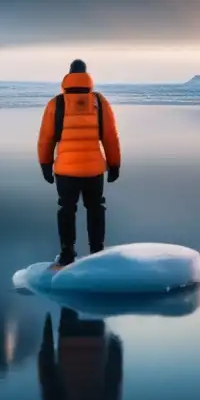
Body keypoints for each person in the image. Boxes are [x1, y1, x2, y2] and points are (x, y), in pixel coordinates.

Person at [37, 59, 121, 267]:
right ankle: (97, 252)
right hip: (94, 170)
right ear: (86, 76)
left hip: (65, 171)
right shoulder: (99, 102)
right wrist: (114, 164)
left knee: (66, 209)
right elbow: (110, 137)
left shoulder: (56, 104)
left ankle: (67, 254)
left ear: (68, 76)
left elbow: (46, 138)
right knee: (95, 208)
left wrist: (45, 164)